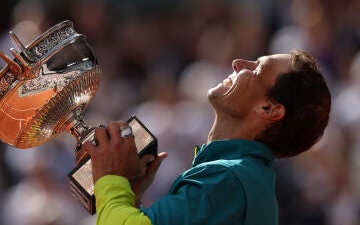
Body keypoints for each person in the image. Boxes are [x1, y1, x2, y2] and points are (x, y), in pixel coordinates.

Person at [84, 50, 331, 225]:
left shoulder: (228, 179)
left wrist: (111, 181)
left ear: (268, 109)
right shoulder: (243, 178)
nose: (238, 63)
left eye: (256, 69)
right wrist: (130, 198)